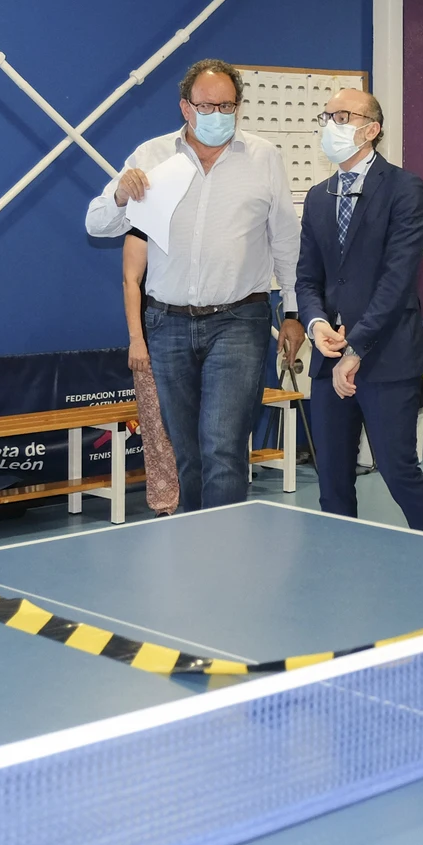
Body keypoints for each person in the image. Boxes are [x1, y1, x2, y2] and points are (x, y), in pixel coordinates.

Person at [85, 58, 305, 511]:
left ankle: (222, 555)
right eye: (208, 105)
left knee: (223, 447)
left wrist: (293, 311)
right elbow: (97, 224)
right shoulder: (151, 157)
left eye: (228, 105)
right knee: (186, 452)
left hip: (239, 319)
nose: (219, 114)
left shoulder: (264, 157)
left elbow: (285, 239)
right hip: (166, 324)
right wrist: (120, 194)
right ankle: (194, 547)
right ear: (186, 108)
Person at [296, 87, 423, 534]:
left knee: (399, 472)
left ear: (371, 129)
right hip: (328, 363)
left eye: (341, 115)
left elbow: (397, 280)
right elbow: (307, 278)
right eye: (325, 116)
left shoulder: (403, 187)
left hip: (385, 358)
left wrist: (356, 347)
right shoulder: (319, 196)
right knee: (332, 480)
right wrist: (317, 324)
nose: (330, 125)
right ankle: (344, 565)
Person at [122, 231, 179, 516]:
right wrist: (137, 340)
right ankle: (164, 505)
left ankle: (205, 500)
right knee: (157, 429)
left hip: (197, 341)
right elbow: (131, 280)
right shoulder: (144, 223)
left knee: (202, 427)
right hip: (152, 342)